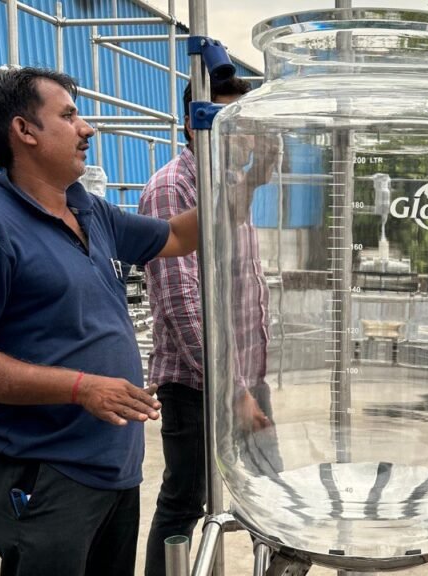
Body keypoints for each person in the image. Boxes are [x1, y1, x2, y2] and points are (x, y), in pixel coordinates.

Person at [0, 67, 199, 576]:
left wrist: (239, 176)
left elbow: (178, 237)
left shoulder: (90, 211)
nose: (86, 128)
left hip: (113, 470)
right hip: (46, 476)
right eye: (69, 115)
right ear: (24, 131)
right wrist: (81, 387)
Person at [140, 77, 277, 576]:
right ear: (191, 126)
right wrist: (231, 392)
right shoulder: (172, 188)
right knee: (185, 501)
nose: (240, 135)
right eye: (225, 121)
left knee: (269, 490)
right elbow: (182, 305)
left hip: (245, 377)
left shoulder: (231, 183)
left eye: (245, 124)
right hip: (199, 384)